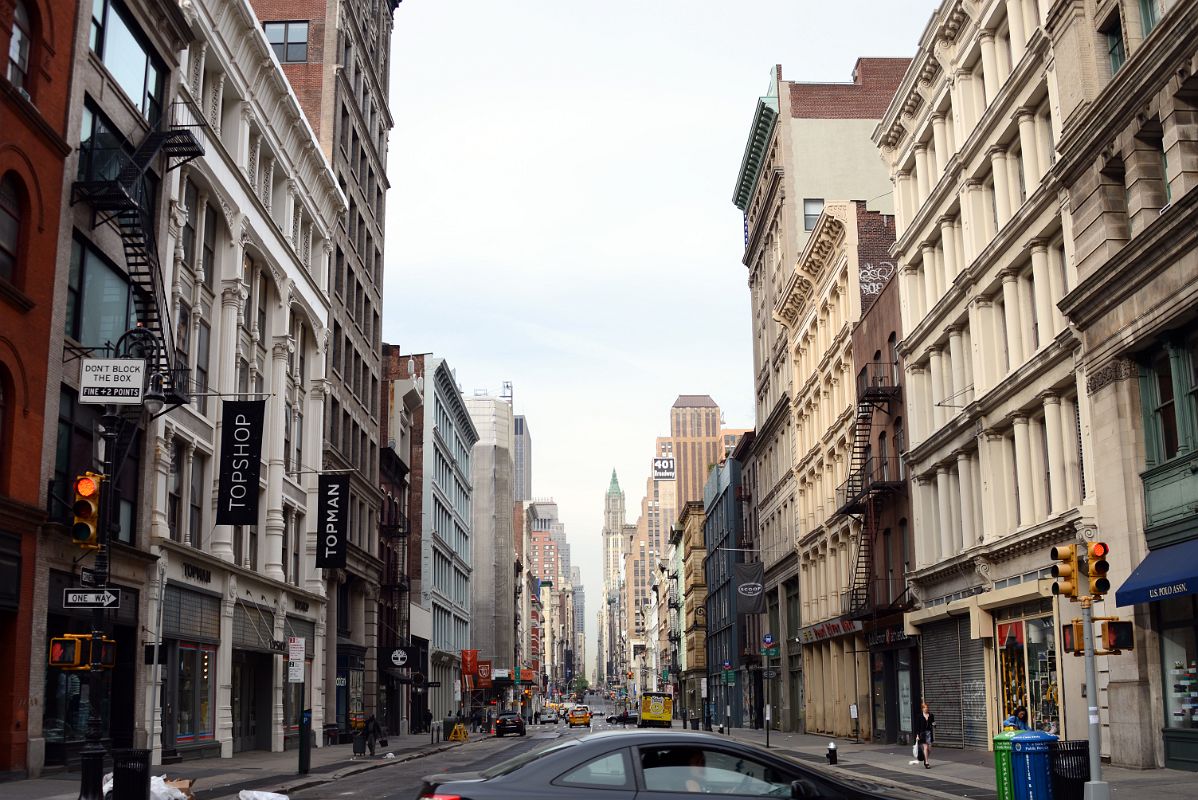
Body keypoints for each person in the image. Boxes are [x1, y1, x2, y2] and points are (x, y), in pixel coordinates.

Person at [914, 702, 936, 769]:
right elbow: (917, 727)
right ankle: (926, 762)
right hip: (922, 734)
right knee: (925, 748)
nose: (926, 709)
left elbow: (933, 723)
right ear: (922, 709)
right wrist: (917, 735)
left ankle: (925, 757)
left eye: (927, 707)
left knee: (929, 749)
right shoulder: (919, 716)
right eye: (924, 707)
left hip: (929, 733)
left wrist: (934, 725)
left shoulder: (931, 715)